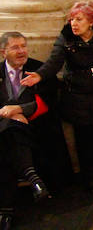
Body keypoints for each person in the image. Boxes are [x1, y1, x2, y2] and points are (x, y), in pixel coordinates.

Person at [24, 2, 93, 192]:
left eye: (79, 19)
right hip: (78, 96)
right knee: (84, 140)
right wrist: (40, 74)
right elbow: (54, 61)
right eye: (71, 19)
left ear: (92, 21)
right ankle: (88, 178)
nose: (74, 24)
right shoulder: (67, 37)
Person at [1, 32, 58, 223]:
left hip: (36, 129)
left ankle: (5, 211)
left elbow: (50, 99)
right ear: (3, 52)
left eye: (23, 46)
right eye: (15, 47)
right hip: (3, 129)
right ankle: (33, 178)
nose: (21, 51)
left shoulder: (38, 69)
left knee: (11, 139)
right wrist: (9, 115)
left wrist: (18, 110)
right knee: (10, 134)